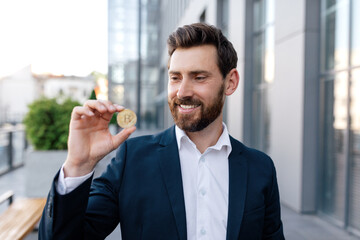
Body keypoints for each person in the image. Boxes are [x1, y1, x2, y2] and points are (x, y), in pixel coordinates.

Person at [39, 23, 284, 240]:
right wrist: (78, 165)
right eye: (175, 77)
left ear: (230, 82)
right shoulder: (132, 159)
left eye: (199, 77)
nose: (182, 92)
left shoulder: (260, 168)